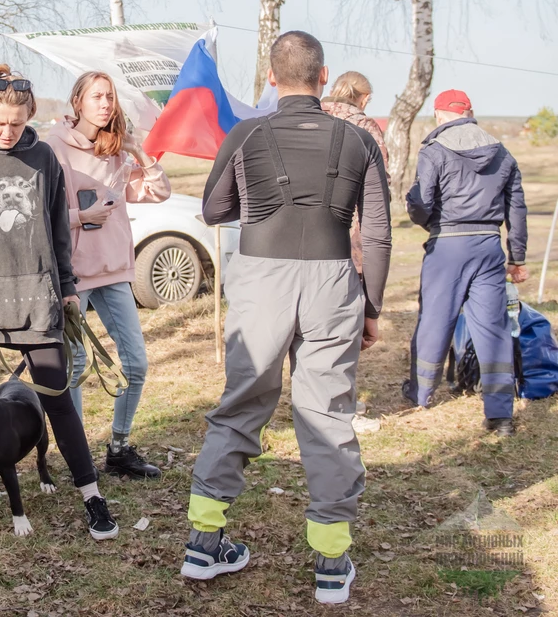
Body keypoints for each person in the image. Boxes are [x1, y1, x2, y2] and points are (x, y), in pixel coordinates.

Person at [181, 31, 392, 605]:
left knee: (242, 403)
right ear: (324, 78)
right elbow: (375, 231)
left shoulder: (246, 133)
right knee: (326, 414)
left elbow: (212, 208)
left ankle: (203, 541)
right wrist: (370, 306)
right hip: (331, 281)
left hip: (260, 280)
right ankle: (330, 561)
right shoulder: (358, 139)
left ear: (271, 78)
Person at [0, 64, 119, 541]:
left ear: (29, 114)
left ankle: (92, 496)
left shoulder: (44, 159)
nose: (7, 132)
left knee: (58, 398)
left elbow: (57, 231)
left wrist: (68, 286)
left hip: (36, 296)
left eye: (15, 123)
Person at [46, 71, 171, 480]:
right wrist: (82, 217)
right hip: (73, 274)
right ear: (78, 100)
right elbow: (40, 217)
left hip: (115, 271)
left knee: (135, 363)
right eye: (97, 96)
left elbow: (159, 192)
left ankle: (119, 449)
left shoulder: (117, 150)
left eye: (111, 97)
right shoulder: (53, 148)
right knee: (75, 366)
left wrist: (138, 150)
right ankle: (77, 456)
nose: (106, 104)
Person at [403, 89, 528, 437]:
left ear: (440, 115)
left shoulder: (434, 149)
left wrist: (426, 221)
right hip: (489, 246)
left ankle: (421, 395)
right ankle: (500, 415)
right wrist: (516, 257)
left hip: (448, 245)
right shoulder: (503, 153)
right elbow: (517, 211)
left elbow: (422, 201)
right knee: (493, 327)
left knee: (435, 320)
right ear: (470, 112)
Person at [322, 71, 389, 273]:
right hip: (349, 229)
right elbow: (380, 182)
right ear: (365, 98)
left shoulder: (311, 117)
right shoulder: (365, 127)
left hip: (302, 229)